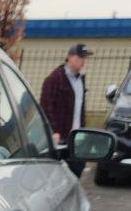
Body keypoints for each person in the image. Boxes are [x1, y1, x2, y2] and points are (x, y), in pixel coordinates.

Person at [40, 43, 93, 177]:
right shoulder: (54, 79)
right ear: (69, 57)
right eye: (79, 57)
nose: (83, 61)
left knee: (77, 171)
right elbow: (46, 106)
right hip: (60, 138)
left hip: (76, 138)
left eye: (84, 58)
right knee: (55, 176)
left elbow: (79, 108)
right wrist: (54, 131)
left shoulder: (80, 80)